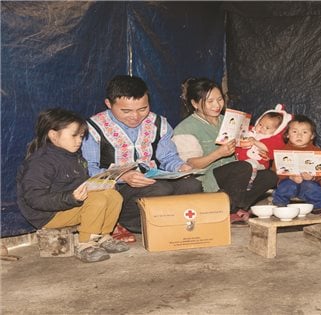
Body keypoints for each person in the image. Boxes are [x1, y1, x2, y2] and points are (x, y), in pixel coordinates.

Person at [81, 75, 203, 241]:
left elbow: (168, 157)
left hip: (151, 180)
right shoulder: (92, 128)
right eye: (126, 111)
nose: (135, 116)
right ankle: (122, 221)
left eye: (142, 109)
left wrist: (180, 167)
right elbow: (90, 170)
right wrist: (123, 177)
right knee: (160, 189)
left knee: (192, 184)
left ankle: (170, 222)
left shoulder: (158, 123)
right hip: (117, 189)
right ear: (109, 104)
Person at [17, 108, 129, 263]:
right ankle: (86, 244)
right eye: (74, 135)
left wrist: (102, 184)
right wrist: (71, 197)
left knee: (113, 195)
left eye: (81, 136)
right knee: (96, 200)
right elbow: (34, 198)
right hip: (48, 215)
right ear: (53, 135)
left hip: (69, 206)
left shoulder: (74, 156)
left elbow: (81, 183)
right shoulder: (41, 162)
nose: (79, 141)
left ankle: (103, 237)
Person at [172, 77, 278, 225]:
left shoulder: (229, 120)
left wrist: (255, 149)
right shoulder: (185, 129)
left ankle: (238, 206)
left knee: (270, 176)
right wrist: (219, 153)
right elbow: (193, 164)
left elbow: (247, 145)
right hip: (208, 177)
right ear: (195, 103)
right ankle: (230, 210)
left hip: (236, 176)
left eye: (220, 99)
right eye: (210, 101)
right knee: (242, 167)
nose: (217, 105)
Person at [271, 115, 321, 214]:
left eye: (304, 132)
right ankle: (279, 204)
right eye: (294, 132)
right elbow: (276, 169)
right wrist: (290, 176)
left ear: (312, 135)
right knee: (286, 186)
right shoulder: (282, 151)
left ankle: (318, 207)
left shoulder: (317, 151)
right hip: (288, 180)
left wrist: (313, 177)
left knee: (312, 187)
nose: (299, 135)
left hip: (309, 181)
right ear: (287, 134)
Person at [235, 104, 292, 189]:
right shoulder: (251, 130)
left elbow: (268, 148)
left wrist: (255, 142)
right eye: (260, 124)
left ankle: (249, 182)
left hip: (258, 164)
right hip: (240, 160)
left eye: (267, 128)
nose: (262, 128)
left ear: (276, 131)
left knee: (251, 165)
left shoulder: (273, 140)